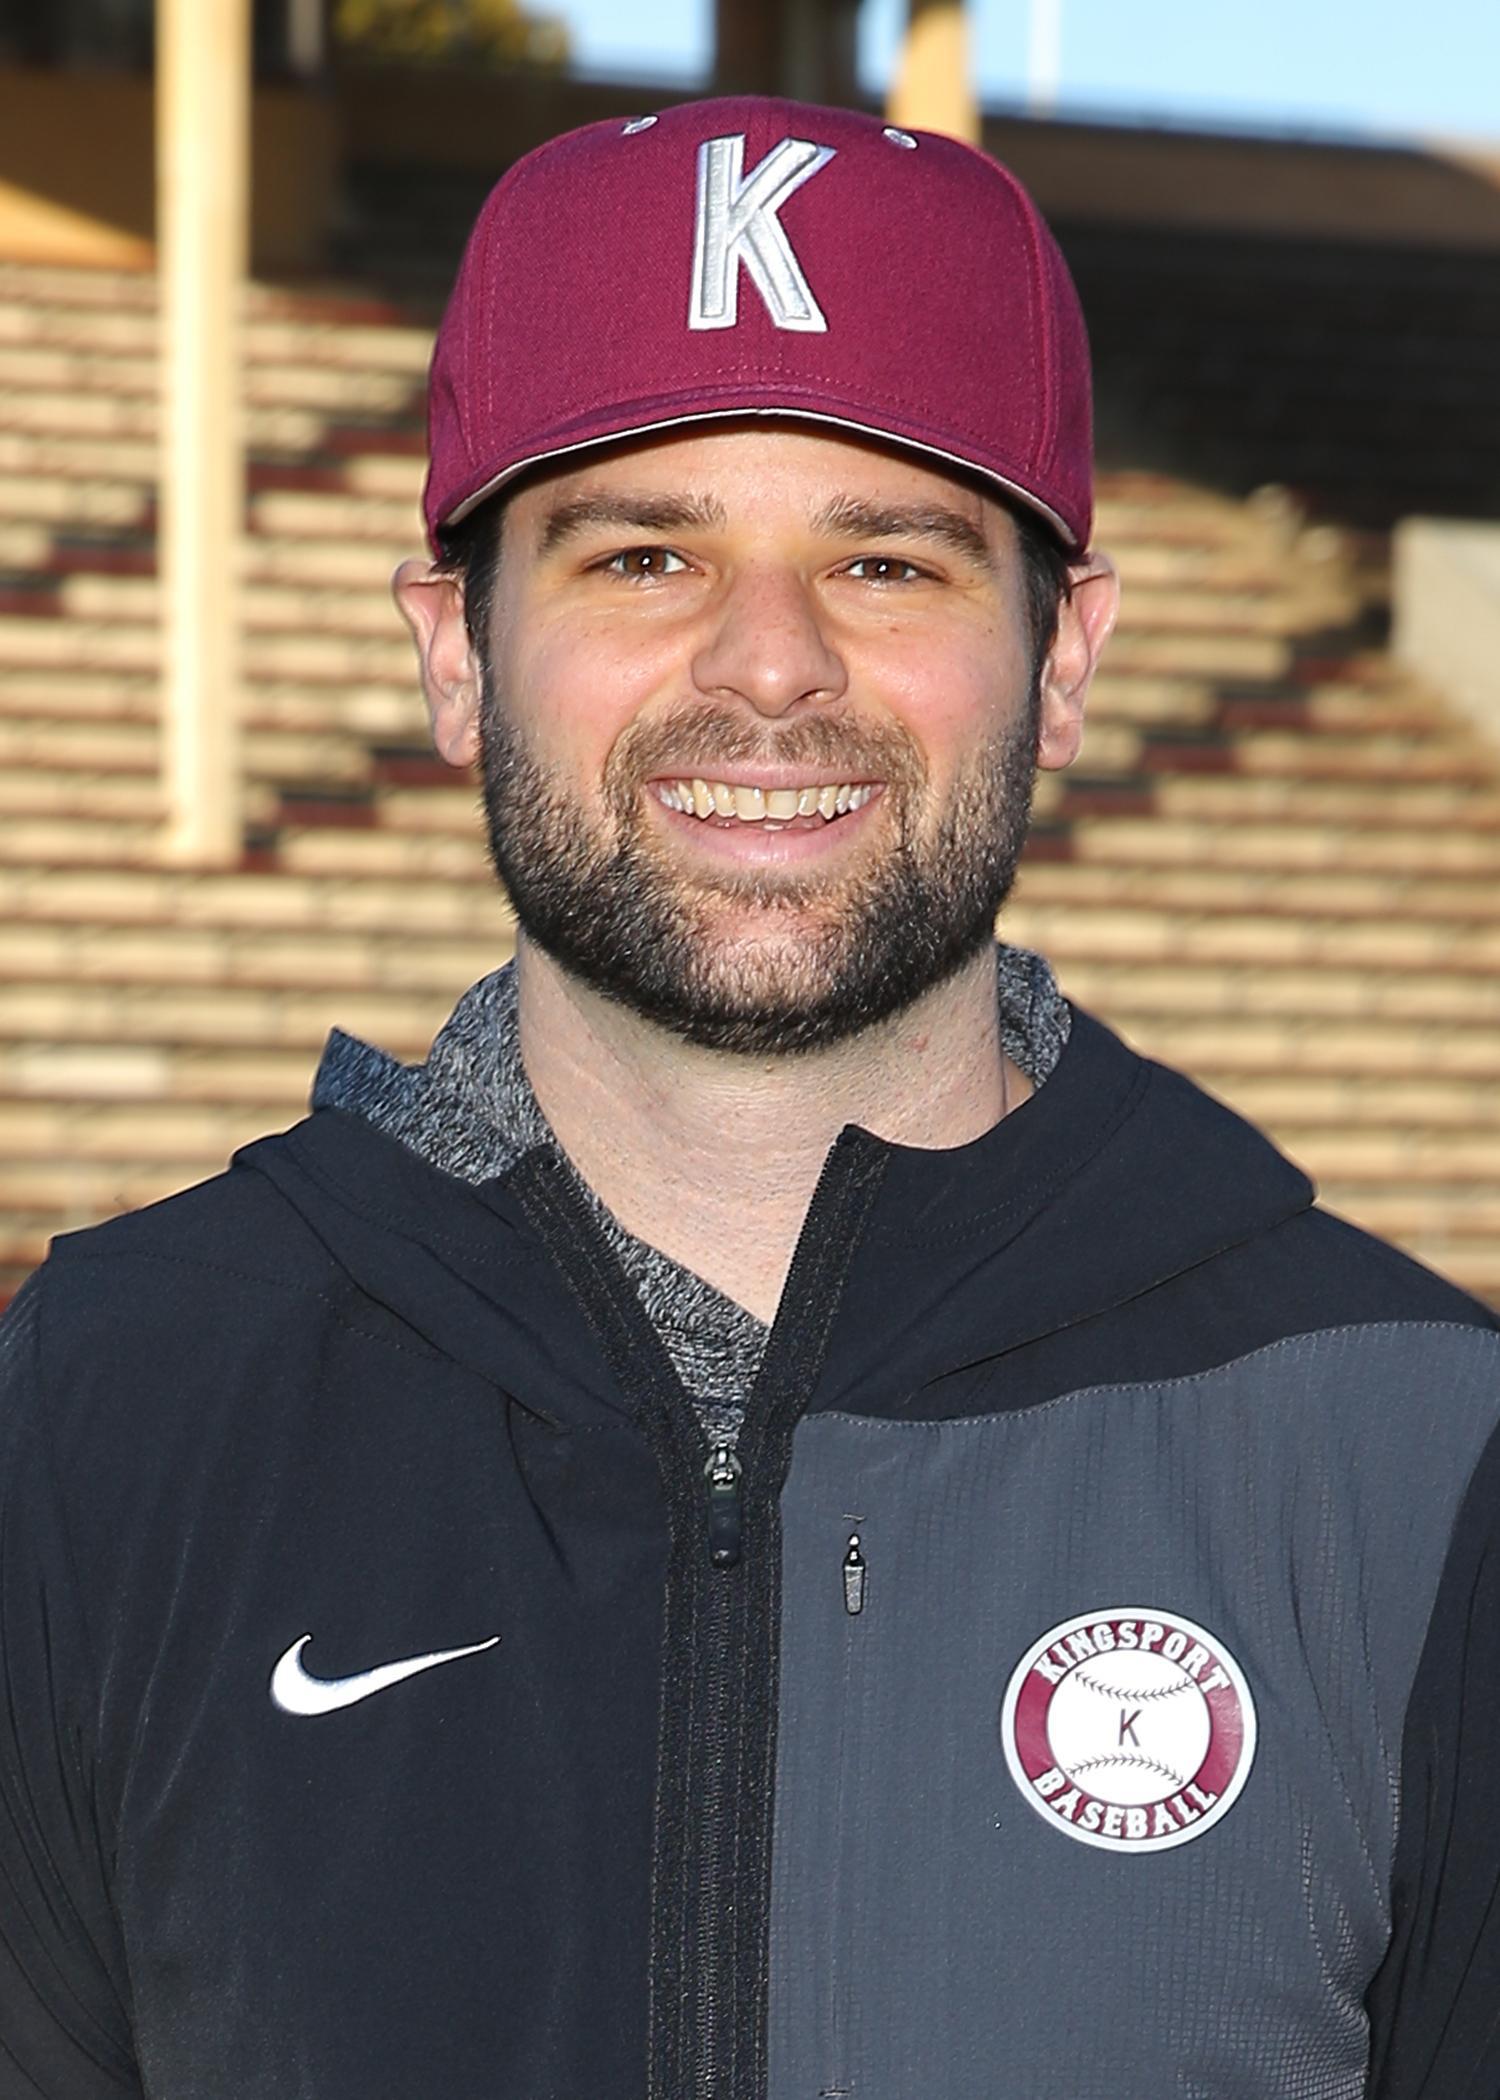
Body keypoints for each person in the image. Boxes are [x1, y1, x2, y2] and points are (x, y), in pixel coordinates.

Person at [0, 93, 1496, 2100]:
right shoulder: (108, 1408)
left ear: (1066, 659)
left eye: (887, 560)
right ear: (456, 653)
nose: (771, 665)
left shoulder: (1418, 1447)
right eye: (644, 553)